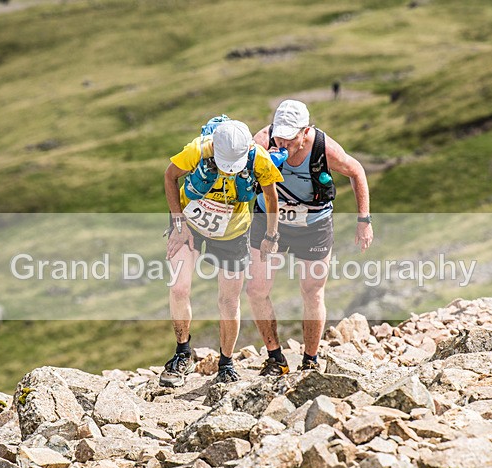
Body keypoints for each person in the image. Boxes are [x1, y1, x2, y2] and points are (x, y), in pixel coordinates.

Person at [249, 100, 373, 375]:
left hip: (314, 223)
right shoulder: (262, 140)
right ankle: (275, 358)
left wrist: (363, 220)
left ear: (305, 131)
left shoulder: (324, 148)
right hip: (269, 220)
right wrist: (259, 165)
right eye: (279, 135)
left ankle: (310, 360)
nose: (283, 143)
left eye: (290, 138)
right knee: (256, 290)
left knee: (312, 291)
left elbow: (357, 171)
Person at [160, 119, 282, 387]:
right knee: (179, 288)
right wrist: (178, 224)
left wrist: (272, 235)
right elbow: (170, 176)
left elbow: (271, 197)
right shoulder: (197, 150)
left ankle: (226, 363)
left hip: (233, 232)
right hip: (190, 225)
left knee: (229, 301)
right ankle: (182, 353)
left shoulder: (258, 158)